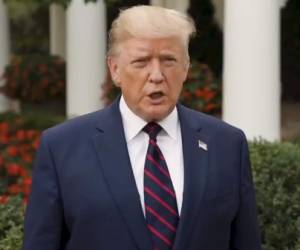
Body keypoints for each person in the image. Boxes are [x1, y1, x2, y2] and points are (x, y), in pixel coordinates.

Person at [23, 5, 261, 250]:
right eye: (141, 62)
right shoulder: (62, 148)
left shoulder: (227, 144)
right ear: (115, 69)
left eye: (169, 60)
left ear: (186, 68)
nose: (156, 75)